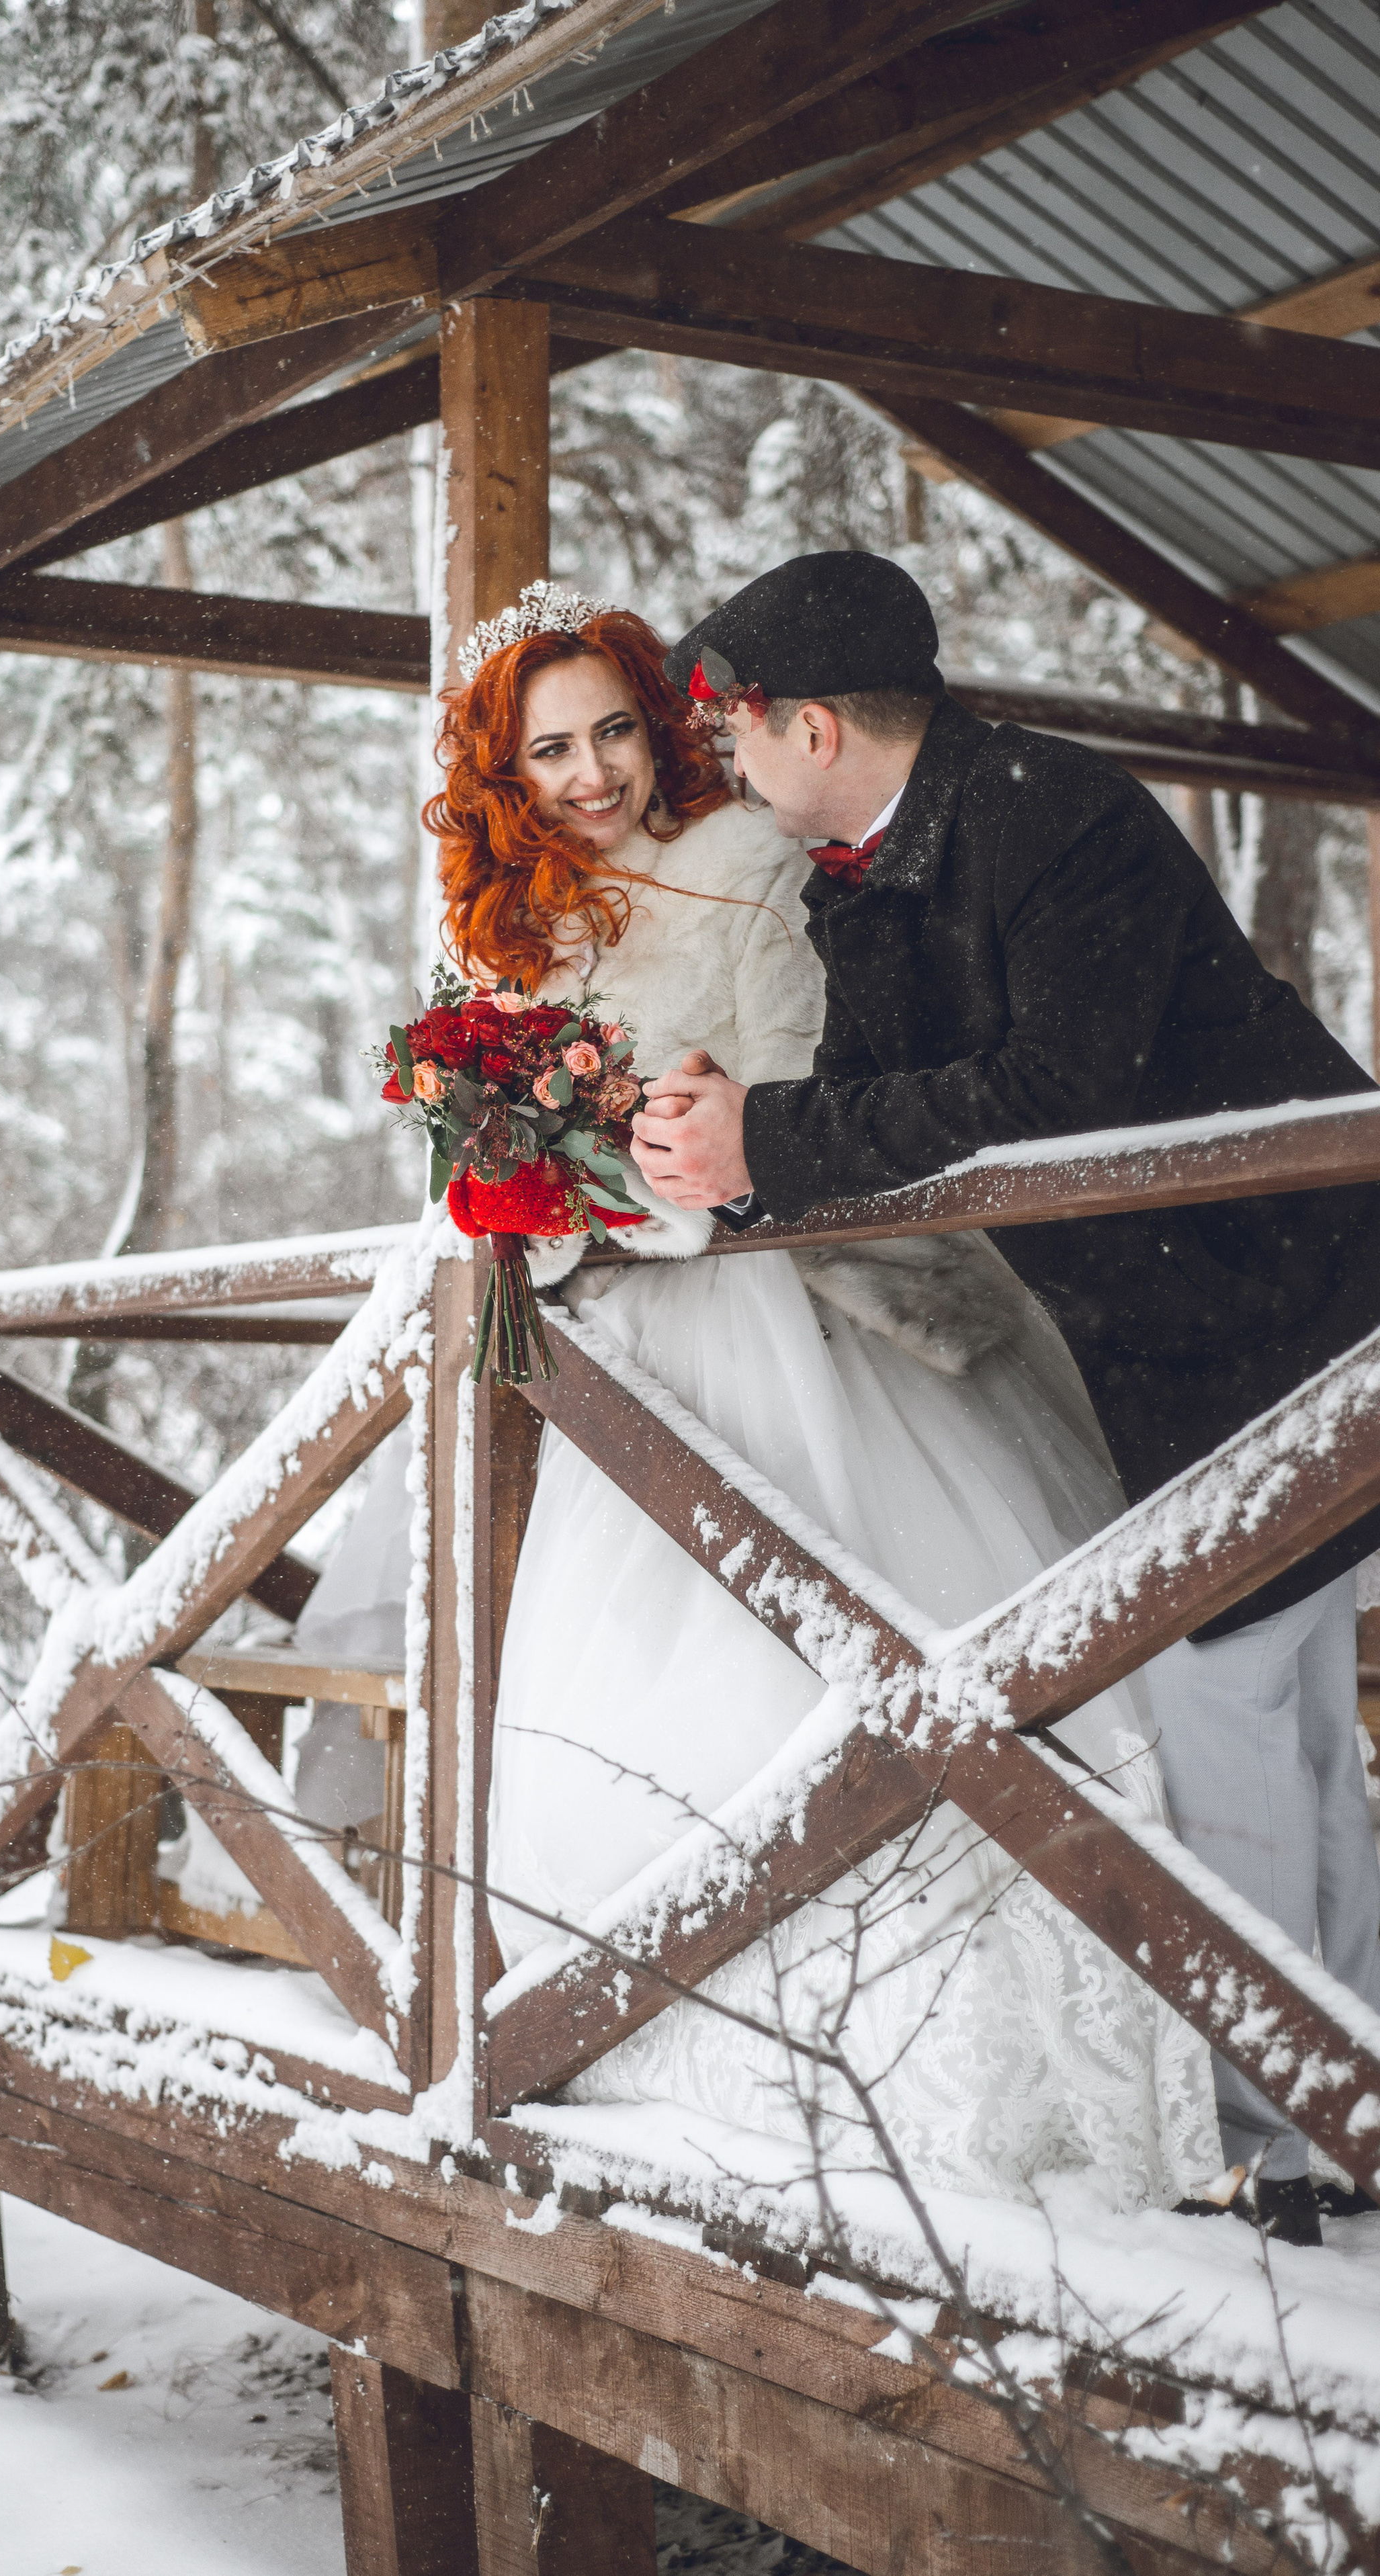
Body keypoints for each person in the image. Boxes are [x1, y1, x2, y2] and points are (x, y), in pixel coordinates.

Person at [422, 581, 1221, 2215]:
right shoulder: (508, 929)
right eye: (550, 748)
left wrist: (680, 1185)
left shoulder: (755, 867)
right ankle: (630, 2033)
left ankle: (970, 2064)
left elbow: (813, 1094)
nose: (589, 775)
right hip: (631, 1359)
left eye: (614, 730)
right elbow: (507, 1156)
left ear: (661, 722)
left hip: (803, 1301)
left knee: (886, 1666)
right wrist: (526, 1191)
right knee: (629, 1708)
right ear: (505, 771)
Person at [636, 550, 1380, 2244]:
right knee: (1282, 1717)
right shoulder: (854, 873)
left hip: (1294, 1295)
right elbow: (884, 1105)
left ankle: (1276, 2128)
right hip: (1169, 1327)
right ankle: (1333, 2102)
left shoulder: (1061, 819)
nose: (728, 767)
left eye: (732, 732)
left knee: (1223, 1701)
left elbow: (1057, 1090)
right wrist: (731, 1142)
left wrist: (776, 1140)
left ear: (806, 722)